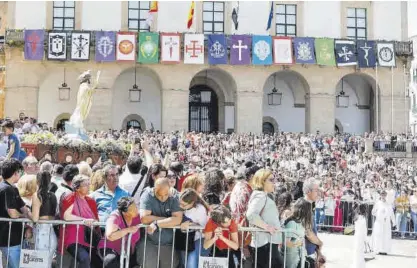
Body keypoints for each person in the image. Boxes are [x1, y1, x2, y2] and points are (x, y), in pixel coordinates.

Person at [137, 177, 183, 268]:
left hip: (169, 243)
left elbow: (178, 219)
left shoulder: (175, 196)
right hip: (149, 242)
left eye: (166, 194)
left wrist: (156, 223)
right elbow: (144, 218)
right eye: (159, 195)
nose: (163, 198)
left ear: (170, 189)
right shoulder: (147, 195)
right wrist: (168, 219)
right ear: (154, 189)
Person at [59, 175, 102, 268]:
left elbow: (95, 219)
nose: (88, 186)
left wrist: (92, 222)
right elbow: (67, 216)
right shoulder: (70, 197)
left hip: (89, 239)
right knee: (84, 258)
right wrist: (84, 220)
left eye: (88, 184)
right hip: (73, 239)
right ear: (77, 187)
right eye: (85, 185)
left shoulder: (90, 201)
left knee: (99, 262)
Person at [246, 169, 283, 268]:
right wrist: (267, 227)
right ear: (262, 181)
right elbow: (251, 215)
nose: (274, 182)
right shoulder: (260, 195)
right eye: (271, 180)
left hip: (267, 242)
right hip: (264, 243)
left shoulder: (263, 195)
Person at [0, 159, 31, 268]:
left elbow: (23, 207)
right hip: (9, 239)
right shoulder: (6, 189)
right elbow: (12, 213)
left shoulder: (13, 188)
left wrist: (28, 214)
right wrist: (24, 215)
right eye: (19, 171)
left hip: (15, 237)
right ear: (15, 173)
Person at [98, 196, 141, 268]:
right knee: (111, 260)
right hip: (109, 249)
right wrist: (128, 230)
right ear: (125, 212)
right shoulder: (115, 216)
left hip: (127, 251)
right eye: (133, 209)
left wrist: (152, 225)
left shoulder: (137, 216)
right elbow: (110, 236)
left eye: (136, 207)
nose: (136, 210)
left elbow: (148, 220)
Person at [178, 189, 210, 268]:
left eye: (183, 205)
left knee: (191, 263)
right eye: (180, 204)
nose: (181, 206)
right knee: (184, 262)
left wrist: (191, 224)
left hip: (199, 239)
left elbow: (204, 228)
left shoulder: (200, 209)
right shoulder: (185, 208)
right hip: (186, 239)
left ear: (192, 203)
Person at [31, 171, 58, 266]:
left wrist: (26, 214)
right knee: (47, 263)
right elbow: (53, 216)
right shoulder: (53, 196)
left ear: (37, 181)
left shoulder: (37, 195)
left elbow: (34, 218)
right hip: (51, 233)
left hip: (41, 233)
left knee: (39, 264)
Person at [303, 178, 326, 267]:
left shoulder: (309, 206)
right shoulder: (304, 207)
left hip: (311, 251)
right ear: (308, 191)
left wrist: (318, 251)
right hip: (307, 253)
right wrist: (320, 243)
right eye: (316, 190)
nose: (318, 193)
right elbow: (308, 233)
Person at [282, 199, 310, 268]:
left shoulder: (300, 222)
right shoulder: (292, 223)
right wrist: (298, 244)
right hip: (291, 261)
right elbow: (286, 243)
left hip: (298, 259)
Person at [371, 190, 396, 255]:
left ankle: (384, 250)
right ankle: (377, 249)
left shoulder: (388, 204)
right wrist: (379, 215)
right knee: (378, 235)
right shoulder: (378, 203)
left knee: (386, 236)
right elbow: (373, 212)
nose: (383, 196)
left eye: (384, 195)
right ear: (380, 195)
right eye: (382, 194)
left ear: (386, 195)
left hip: (386, 223)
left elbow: (392, 213)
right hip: (379, 222)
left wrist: (394, 221)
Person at [352, 203, 367, 268]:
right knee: (360, 251)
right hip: (361, 236)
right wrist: (366, 240)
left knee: (357, 250)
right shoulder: (362, 219)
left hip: (357, 235)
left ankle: (357, 264)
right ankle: (359, 265)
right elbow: (364, 230)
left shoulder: (357, 217)